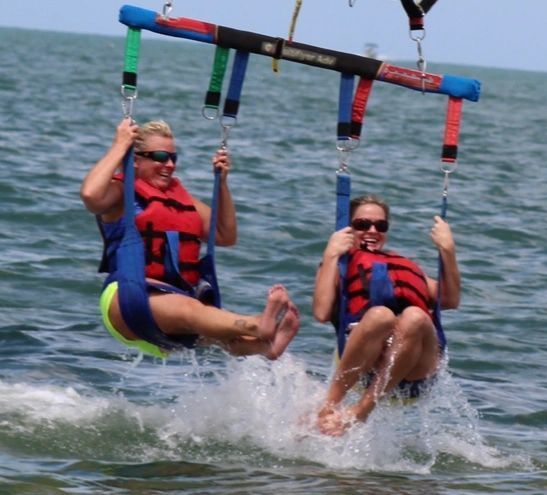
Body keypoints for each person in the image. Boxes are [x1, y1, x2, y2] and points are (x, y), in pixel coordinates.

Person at [81, 116, 299, 359]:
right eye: (161, 157)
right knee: (191, 311)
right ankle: (257, 325)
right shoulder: (121, 194)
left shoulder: (181, 201)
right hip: (128, 299)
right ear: (136, 160)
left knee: (217, 331)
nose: (170, 165)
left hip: (169, 306)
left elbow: (225, 235)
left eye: (173, 158)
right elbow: (90, 195)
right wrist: (120, 145)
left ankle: (263, 347)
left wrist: (222, 184)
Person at [312, 194, 460, 433]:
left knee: (415, 316)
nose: (372, 230)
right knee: (381, 315)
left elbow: (450, 299)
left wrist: (448, 250)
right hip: (364, 369)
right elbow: (321, 312)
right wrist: (330, 254)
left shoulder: (404, 265)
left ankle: (362, 411)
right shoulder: (339, 264)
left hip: (416, 377)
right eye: (362, 225)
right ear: (348, 229)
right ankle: (328, 406)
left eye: (380, 226)